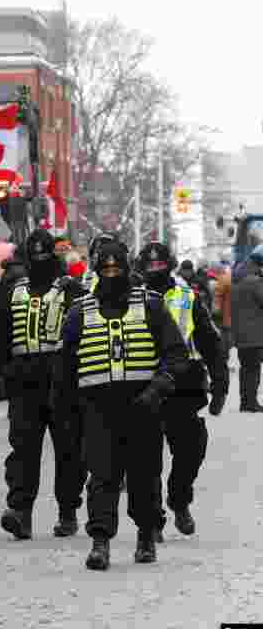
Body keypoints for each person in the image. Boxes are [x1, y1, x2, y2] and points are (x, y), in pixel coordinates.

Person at [58, 240, 190, 570]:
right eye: (106, 269)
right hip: (97, 408)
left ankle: (146, 535)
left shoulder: (150, 305)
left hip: (143, 405)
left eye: (117, 268)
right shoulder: (79, 312)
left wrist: (159, 387)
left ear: (128, 267)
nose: (112, 273)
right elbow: (64, 368)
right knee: (102, 475)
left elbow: (175, 353)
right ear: (97, 270)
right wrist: (65, 413)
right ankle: (100, 541)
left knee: (144, 475)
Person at [0, 229, 87, 540]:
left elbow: (86, 335)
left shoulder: (70, 291)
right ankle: (20, 511)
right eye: (35, 256)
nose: (40, 261)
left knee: (68, 449)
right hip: (24, 380)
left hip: (61, 379)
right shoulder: (14, 292)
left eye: (45, 256)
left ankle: (67, 512)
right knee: (23, 450)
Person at [136, 243, 228, 536]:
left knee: (191, 449)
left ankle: (179, 500)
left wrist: (220, 383)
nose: (154, 271)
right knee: (145, 459)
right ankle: (151, 520)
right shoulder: (130, 297)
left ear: (170, 264)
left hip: (183, 383)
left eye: (159, 265)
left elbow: (209, 342)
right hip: (144, 382)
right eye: (149, 267)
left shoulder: (187, 296)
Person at [231, 250, 263, 413]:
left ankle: (245, 401)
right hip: (255, 334)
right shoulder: (255, 282)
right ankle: (251, 402)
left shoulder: (237, 280)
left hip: (241, 333)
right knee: (253, 369)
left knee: (245, 369)